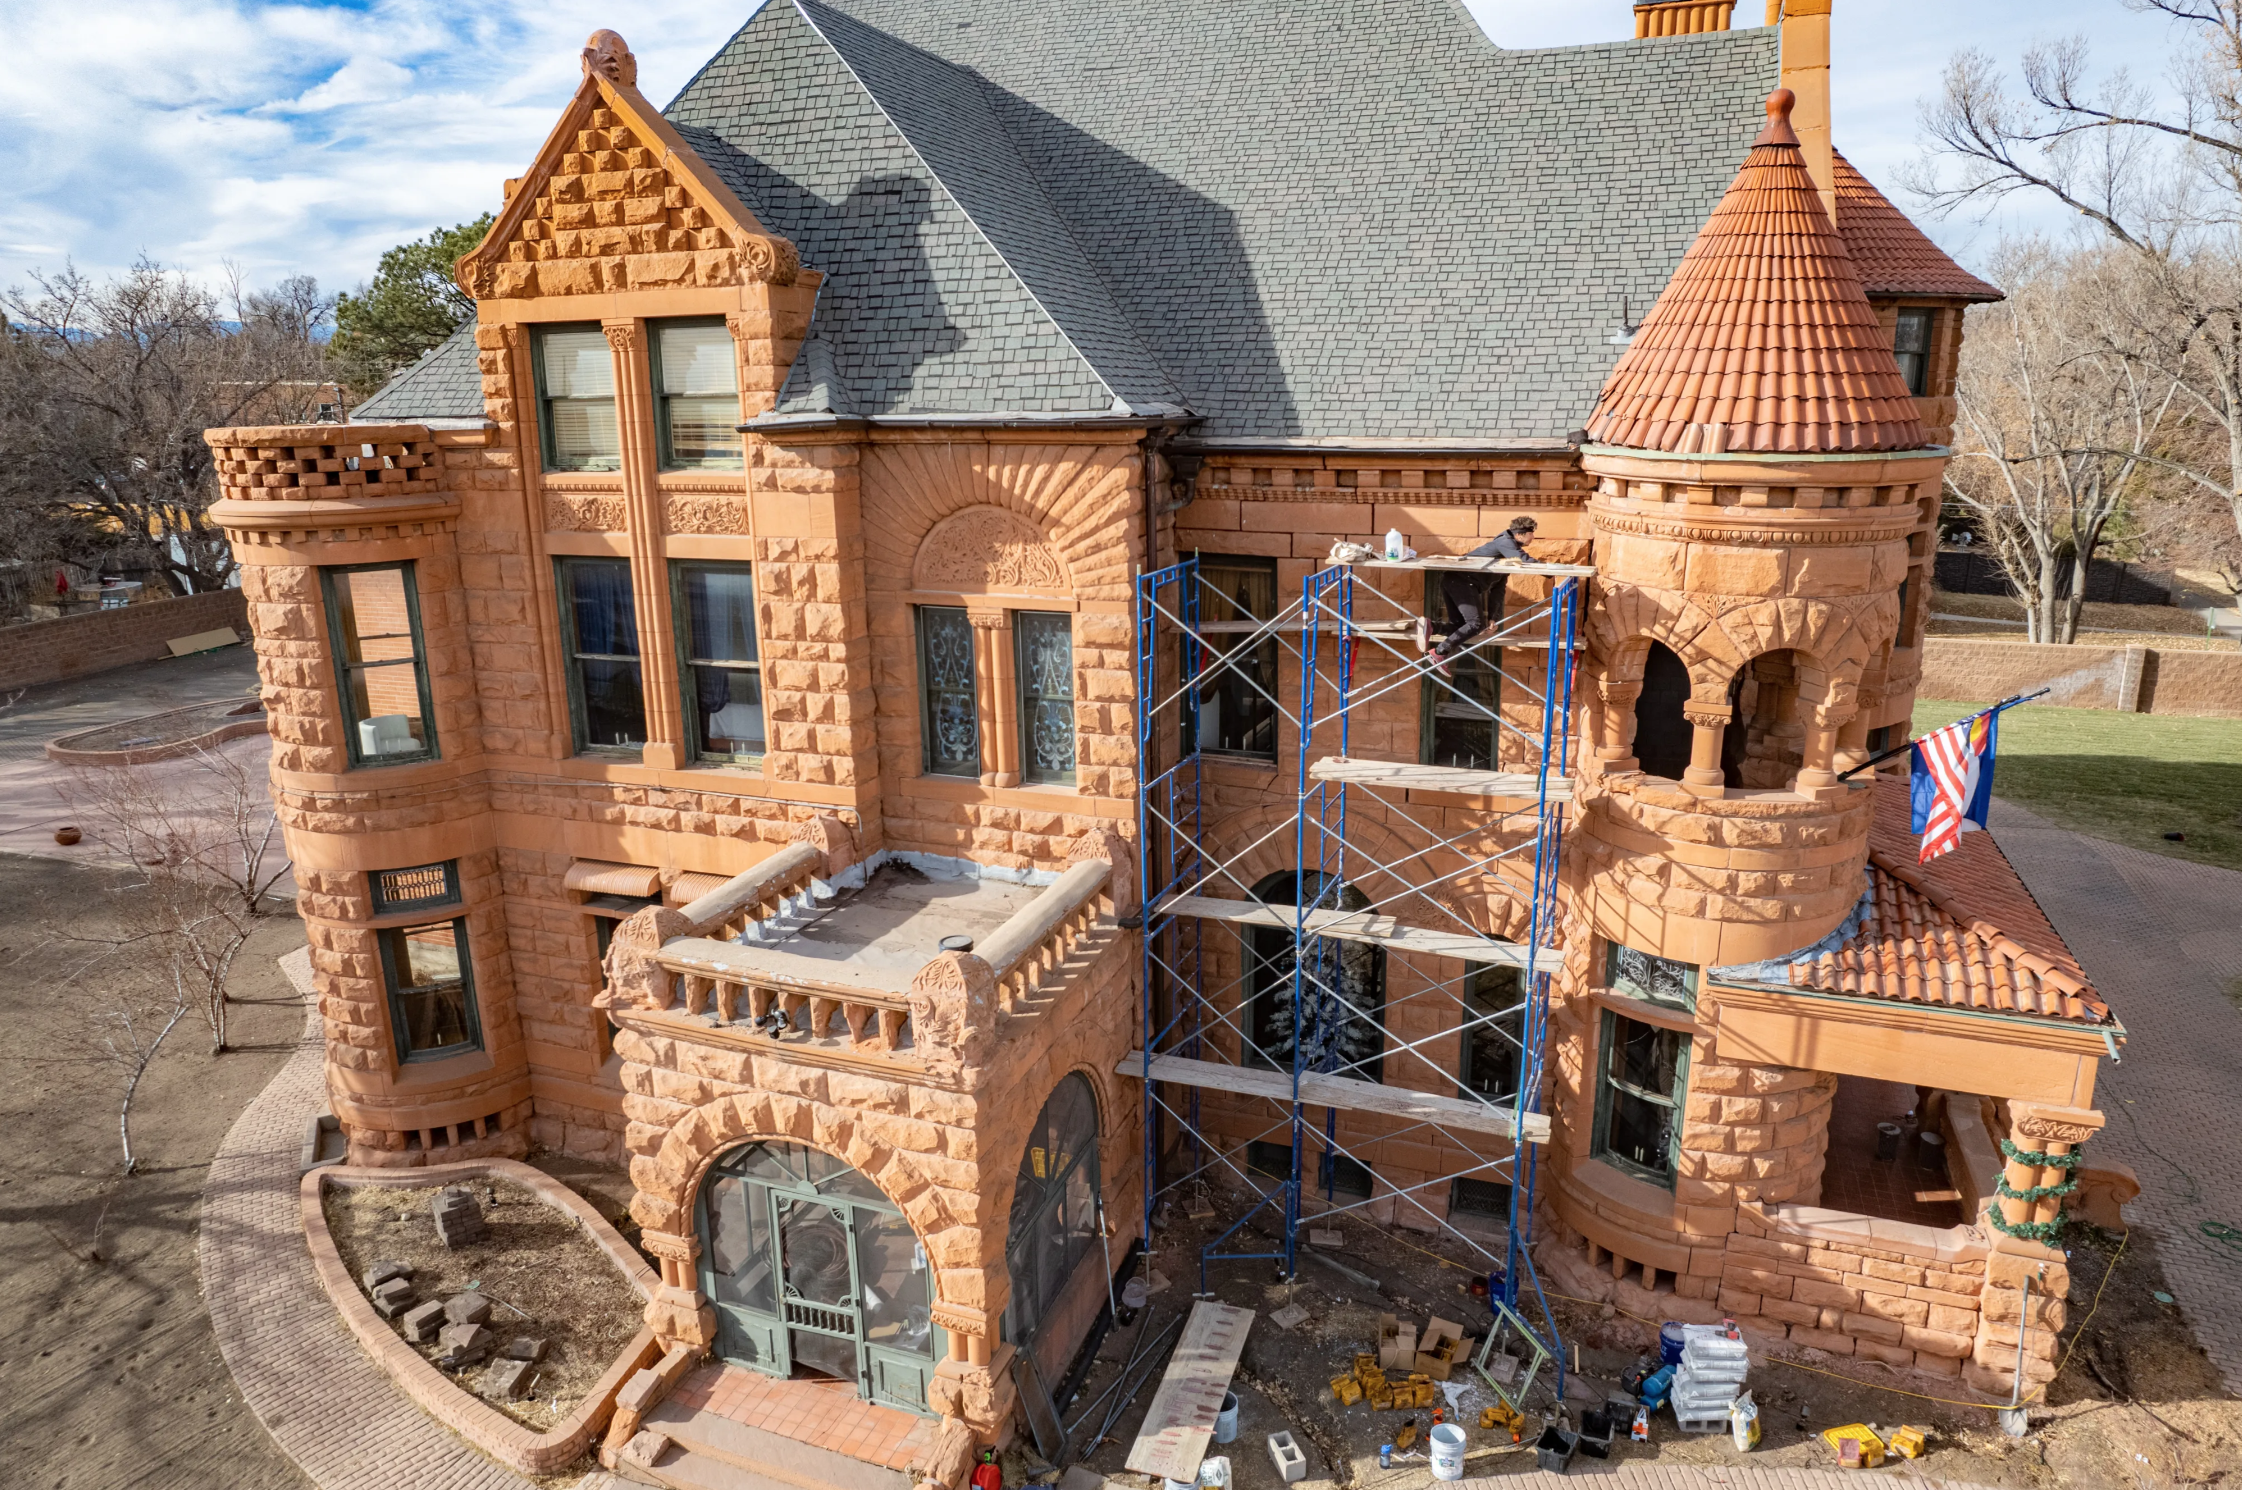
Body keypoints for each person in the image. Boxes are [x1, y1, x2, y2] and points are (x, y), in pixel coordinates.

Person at [1417, 516, 1536, 672]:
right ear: (1520, 534)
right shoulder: (1504, 542)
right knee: (1475, 624)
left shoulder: (1507, 558)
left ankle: (1432, 627)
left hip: (1455, 581)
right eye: (1531, 533)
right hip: (1461, 582)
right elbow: (1525, 559)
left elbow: (1498, 591)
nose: (1533, 537)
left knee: (1460, 626)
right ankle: (1439, 652)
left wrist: (1494, 617)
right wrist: (1551, 571)